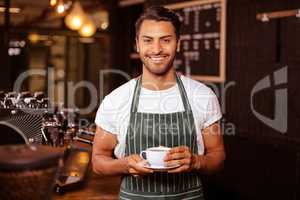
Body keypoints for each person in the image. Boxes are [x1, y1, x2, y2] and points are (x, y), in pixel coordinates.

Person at [92, 6, 225, 200]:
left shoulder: (202, 96)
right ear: (137, 44)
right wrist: (125, 165)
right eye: (148, 40)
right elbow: (98, 161)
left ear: (178, 44)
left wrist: (196, 161)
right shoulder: (116, 99)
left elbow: (218, 157)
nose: (156, 49)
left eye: (166, 40)